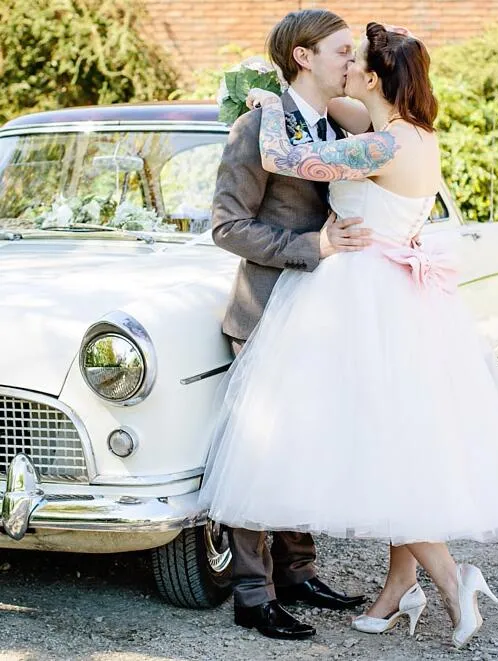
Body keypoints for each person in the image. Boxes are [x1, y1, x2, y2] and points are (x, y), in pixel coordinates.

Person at [201, 22, 498, 649]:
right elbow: (297, 140)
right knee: (379, 442)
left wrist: (266, 111)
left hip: (362, 300)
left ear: (373, 75)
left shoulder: (380, 144)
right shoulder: (389, 125)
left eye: (355, 56)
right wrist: (268, 99)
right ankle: (379, 586)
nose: (347, 61)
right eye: (339, 50)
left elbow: (287, 157)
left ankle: (444, 579)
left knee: (373, 443)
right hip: (371, 300)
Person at [204, 8, 368, 641]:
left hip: (324, 318)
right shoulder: (256, 126)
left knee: (306, 445)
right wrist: (314, 249)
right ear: (304, 57)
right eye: (342, 52)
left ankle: (297, 571)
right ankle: (252, 592)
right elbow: (227, 225)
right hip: (268, 311)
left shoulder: (336, 126)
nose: (352, 62)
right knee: (259, 451)